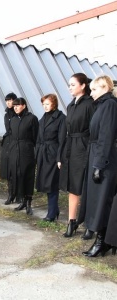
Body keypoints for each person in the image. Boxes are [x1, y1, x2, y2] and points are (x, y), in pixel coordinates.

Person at [77, 75, 117, 257]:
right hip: (97, 156)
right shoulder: (101, 105)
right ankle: (104, 240)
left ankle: (101, 242)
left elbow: (106, 136)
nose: (90, 93)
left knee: (102, 201)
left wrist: (99, 164)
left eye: (93, 89)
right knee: (97, 200)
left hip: (104, 159)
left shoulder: (109, 105)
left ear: (104, 87)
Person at [59, 73, 95, 238]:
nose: (70, 87)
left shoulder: (90, 104)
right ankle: (71, 221)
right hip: (71, 148)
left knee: (87, 186)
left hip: (85, 147)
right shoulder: (70, 105)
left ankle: (90, 223)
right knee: (73, 186)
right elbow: (66, 131)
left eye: (73, 84)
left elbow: (94, 129)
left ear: (83, 86)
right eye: (69, 84)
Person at [35, 94, 66, 221]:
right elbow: (38, 138)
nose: (45, 107)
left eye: (47, 104)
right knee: (46, 185)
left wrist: (59, 158)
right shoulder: (42, 119)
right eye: (43, 104)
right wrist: (37, 154)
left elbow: (62, 140)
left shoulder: (61, 118)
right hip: (43, 154)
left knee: (52, 184)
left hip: (53, 155)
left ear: (54, 103)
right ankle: (54, 210)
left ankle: (51, 214)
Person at [7, 97, 39, 215]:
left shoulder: (32, 119)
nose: (15, 107)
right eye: (14, 106)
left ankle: (29, 201)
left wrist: (35, 151)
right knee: (17, 175)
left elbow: (36, 137)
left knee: (27, 175)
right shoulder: (13, 120)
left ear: (24, 106)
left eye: (18, 105)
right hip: (15, 151)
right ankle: (22, 200)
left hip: (27, 151)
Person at [0, 92, 18, 205]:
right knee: (8, 171)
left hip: (16, 143)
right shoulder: (7, 115)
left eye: (11, 100)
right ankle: (10, 194)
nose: (9, 103)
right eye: (7, 101)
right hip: (8, 143)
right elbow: (8, 129)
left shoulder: (18, 114)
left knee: (17, 170)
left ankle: (19, 194)